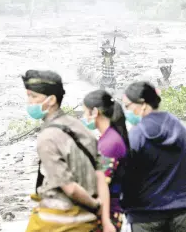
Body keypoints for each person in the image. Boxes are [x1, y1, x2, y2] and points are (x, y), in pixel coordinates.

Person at [22, 69, 113, 232]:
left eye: (34, 97)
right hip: (88, 222)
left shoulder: (47, 137)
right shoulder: (78, 126)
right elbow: (101, 174)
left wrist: (95, 205)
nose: (29, 102)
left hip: (57, 221)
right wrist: (104, 216)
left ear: (51, 100)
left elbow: (69, 187)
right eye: (28, 96)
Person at [122, 81, 186, 232]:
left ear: (142, 104)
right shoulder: (180, 128)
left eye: (128, 106)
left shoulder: (136, 136)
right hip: (181, 213)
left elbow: (125, 176)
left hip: (146, 216)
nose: (126, 111)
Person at [81, 90, 130, 232]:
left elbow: (102, 183)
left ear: (95, 112)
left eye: (85, 112)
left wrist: (105, 221)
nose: (84, 117)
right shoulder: (109, 138)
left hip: (108, 212)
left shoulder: (110, 143)